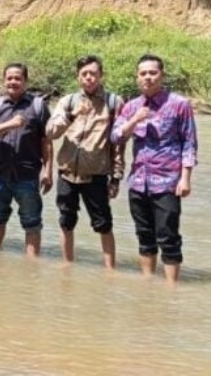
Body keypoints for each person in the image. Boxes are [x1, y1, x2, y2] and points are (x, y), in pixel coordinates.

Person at [111, 54, 197, 284]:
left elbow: (189, 143)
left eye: (152, 73)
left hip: (168, 182)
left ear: (162, 75)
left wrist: (186, 178)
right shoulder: (131, 107)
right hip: (138, 182)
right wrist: (134, 120)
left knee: (168, 237)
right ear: (137, 77)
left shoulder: (179, 104)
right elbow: (116, 137)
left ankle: (171, 289)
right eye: (143, 73)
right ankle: (148, 285)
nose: (147, 77)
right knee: (144, 236)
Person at [46, 55, 125, 268]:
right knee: (66, 221)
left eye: (93, 73)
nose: (89, 78)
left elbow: (119, 143)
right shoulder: (68, 101)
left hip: (96, 175)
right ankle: (67, 266)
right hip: (67, 172)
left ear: (101, 75)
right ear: (78, 77)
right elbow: (51, 133)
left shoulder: (113, 102)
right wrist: (71, 115)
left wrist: (116, 176)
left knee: (103, 224)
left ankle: (110, 270)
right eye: (84, 74)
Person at [0, 62, 53, 256]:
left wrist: (48, 170)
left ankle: (31, 268)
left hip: (27, 175)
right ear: (4, 81)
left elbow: (47, 141)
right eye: (9, 78)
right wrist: (10, 124)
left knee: (32, 223)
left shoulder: (38, 106)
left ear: (25, 81)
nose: (13, 81)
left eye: (18, 78)